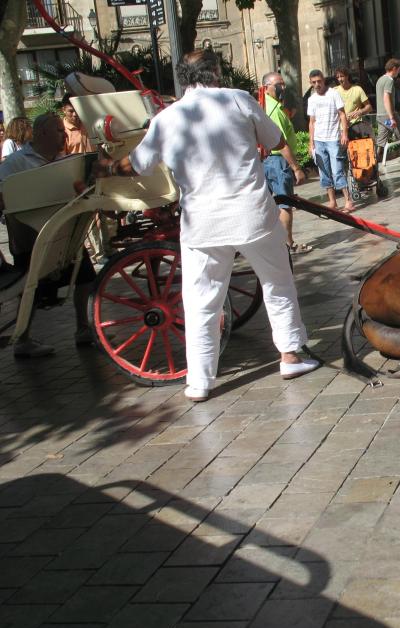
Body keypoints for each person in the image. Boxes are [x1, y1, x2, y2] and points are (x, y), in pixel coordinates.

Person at [93, 49, 317, 402]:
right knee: (278, 283)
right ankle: (289, 356)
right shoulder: (238, 99)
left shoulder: (167, 118)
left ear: (183, 78)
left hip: (202, 223)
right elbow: (277, 141)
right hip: (252, 215)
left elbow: (137, 165)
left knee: (201, 302)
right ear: (216, 73)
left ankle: (199, 381)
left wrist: (106, 166)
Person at [0, 112, 95, 357]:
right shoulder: (17, 162)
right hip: (30, 237)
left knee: (85, 275)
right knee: (28, 289)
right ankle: (23, 341)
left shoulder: (64, 160)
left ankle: (83, 328)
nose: (64, 135)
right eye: (59, 131)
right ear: (42, 133)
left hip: (64, 234)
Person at [262, 72, 311, 255]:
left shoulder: (266, 105)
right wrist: (296, 168)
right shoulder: (274, 110)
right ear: (267, 87)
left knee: (267, 205)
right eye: (278, 85)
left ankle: (273, 244)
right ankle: (287, 244)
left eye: (283, 84)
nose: (282, 88)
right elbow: (281, 143)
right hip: (277, 161)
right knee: (285, 203)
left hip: (267, 161)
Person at [307, 69, 355, 212]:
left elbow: (342, 115)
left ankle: (348, 201)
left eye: (319, 81)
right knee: (324, 172)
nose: (317, 84)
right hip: (319, 140)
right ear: (311, 83)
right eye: (314, 82)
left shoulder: (333, 93)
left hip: (333, 138)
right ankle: (332, 201)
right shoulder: (312, 99)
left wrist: (344, 133)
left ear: (323, 80)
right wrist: (311, 143)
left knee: (337, 170)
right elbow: (312, 122)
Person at [334, 67, 372, 139]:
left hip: (356, 127)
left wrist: (359, 112)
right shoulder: (334, 91)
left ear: (347, 76)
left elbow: (369, 107)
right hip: (340, 129)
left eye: (342, 76)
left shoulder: (357, 89)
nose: (340, 79)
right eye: (337, 77)